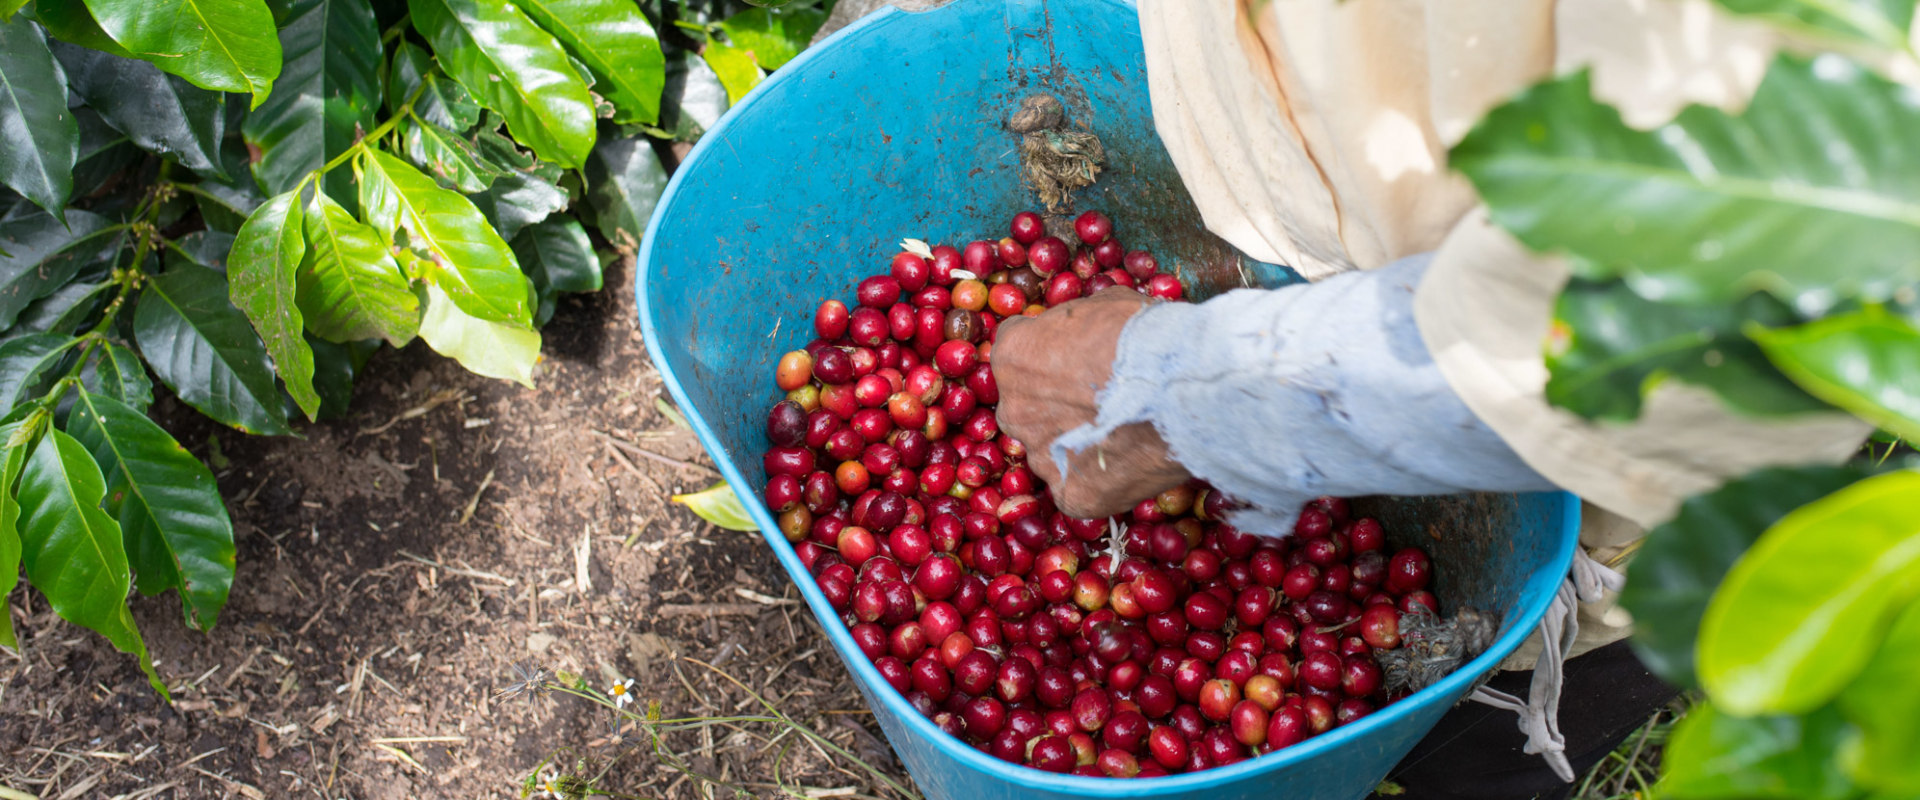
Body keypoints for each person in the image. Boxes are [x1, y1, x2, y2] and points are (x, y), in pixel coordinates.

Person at [990, 1, 1876, 797]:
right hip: (1294, 219)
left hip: (1574, 489)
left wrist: (1182, 393)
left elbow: (1702, 323)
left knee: (1448, 738)